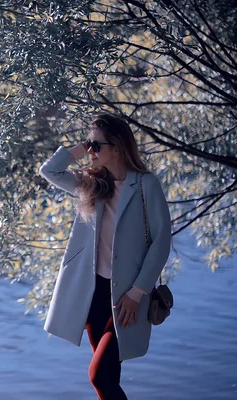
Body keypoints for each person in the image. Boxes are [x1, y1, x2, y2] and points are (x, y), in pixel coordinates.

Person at [38, 114, 172, 399]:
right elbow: (49, 171)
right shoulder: (91, 183)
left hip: (127, 297)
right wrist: (80, 147)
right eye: (90, 145)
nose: (91, 151)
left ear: (118, 147)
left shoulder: (146, 186)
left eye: (97, 145)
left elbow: (161, 243)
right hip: (93, 293)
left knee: (99, 375)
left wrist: (137, 294)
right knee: (108, 379)